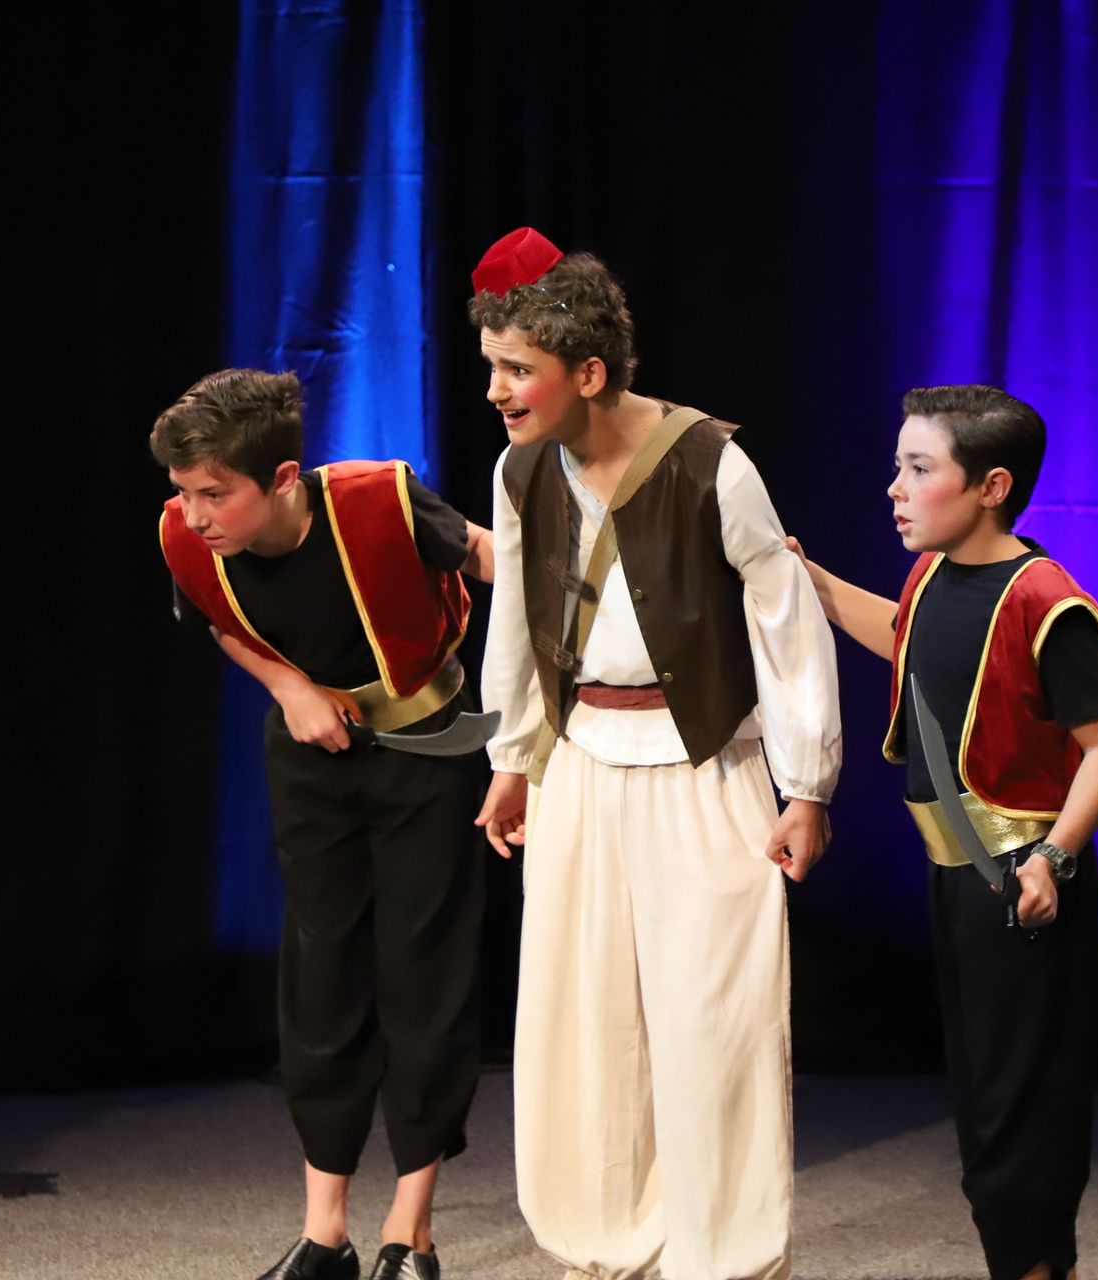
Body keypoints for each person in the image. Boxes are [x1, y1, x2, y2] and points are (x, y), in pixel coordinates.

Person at [467, 227, 842, 1280]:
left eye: (516, 369)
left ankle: (719, 1249)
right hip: (582, 758)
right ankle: (604, 1235)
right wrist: (512, 754)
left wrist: (805, 784)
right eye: (492, 367)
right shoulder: (521, 468)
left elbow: (784, 623)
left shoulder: (711, 466)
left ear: (586, 371)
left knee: (712, 1015)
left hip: (703, 767)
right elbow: (518, 621)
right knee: (582, 1009)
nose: (497, 390)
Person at [151, 368, 493, 1280]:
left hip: (428, 744)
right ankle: (326, 1233)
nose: (196, 515)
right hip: (314, 758)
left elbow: (493, 559)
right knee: (321, 973)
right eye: (185, 494)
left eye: (216, 495)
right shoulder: (186, 539)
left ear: (285, 477)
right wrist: (289, 686)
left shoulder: (376, 501)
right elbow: (223, 621)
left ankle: (409, 1234)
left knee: (425, 974)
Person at [789, 385, 1098, 1280]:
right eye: (899, 466)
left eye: (918, 469)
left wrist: (1053, 857)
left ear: (991, 487)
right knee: (985, 1099)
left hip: (1022, 876)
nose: (894, 489)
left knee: (1025, 1102)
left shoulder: (1045, 601)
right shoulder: (934, 574)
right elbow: (907, 641)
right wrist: (816, 585)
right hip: (958, 876)